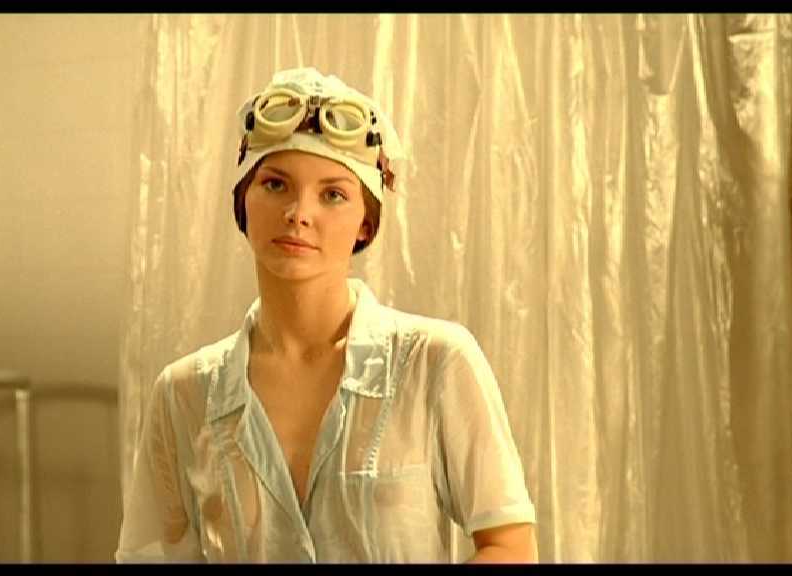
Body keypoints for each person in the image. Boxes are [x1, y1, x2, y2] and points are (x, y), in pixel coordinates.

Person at [115, 67, 537, 563]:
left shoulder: (435, 363)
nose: (299, 212)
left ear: (365, 222)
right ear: (243, 200)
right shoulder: (184, 394)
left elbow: (510, 545)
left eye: (333, 194)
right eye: (275, 184)